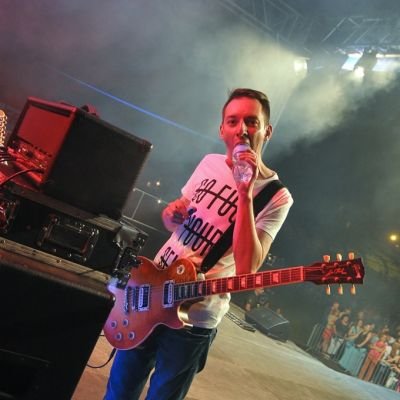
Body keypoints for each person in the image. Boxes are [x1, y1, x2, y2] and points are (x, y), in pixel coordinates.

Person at [104, 88, 293, 400]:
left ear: (267, 131)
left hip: (193, 316)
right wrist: (170, 215)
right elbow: (176, 221)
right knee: (119, 390)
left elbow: (248, 268)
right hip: (149, 292)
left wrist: (245, 192)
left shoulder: (277, 197)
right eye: (232, 121)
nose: (241, 129)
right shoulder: (209, 163)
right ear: (222, 130)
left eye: (251, 121)